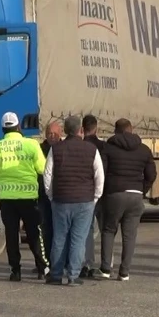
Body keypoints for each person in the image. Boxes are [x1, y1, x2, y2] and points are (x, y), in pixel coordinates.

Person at [43, 116, 104, 286]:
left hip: (61, 200)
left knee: (59, 238)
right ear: (81, 130)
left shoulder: (55, 149)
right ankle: (73, 276)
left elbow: (47, 175)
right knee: (78, 239)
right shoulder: (91, 150)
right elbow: (99, 176)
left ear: (65, 130)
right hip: (84, 201)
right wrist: (95, 197)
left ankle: (55, 275)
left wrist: (51, 196)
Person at [0, 112, 49, 282]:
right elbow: (42, 168)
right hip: (28, 197)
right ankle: (42, 267)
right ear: (18, 127)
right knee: (34, 233)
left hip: (7, 198)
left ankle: (15, 271)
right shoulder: (31, 144)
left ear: (3, 129)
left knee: (11, 234)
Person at [99, 118, 156, 281]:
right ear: (131, 129)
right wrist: (142, 190)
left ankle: (105, 268)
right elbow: (152, 175)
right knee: (129, 235)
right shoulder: (144, 150)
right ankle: (124, 272)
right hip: (136, 195)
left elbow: (102, 172)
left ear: (116, 131)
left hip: (114, 194)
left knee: (109, 230)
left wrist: (104, 192)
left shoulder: (108, 148)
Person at [80, 114, 107, 279]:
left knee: (86, 230)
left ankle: (87, 263)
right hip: (102, 194)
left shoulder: (81, 146)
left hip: (86, 194)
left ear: (82, 129)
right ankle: (106, 265)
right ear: (96, 128)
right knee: (106, 230)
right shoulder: (104, 147)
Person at [38, 119, 64, 261]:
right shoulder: (40, 150)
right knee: (46, 230)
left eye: (55, 133)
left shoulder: (65, 148)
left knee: (61, 231)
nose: (52, 136)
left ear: (60, 133)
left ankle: (61, 261)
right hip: (44, 197)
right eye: (49, 133)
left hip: (61, 196)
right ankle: (47, 261)